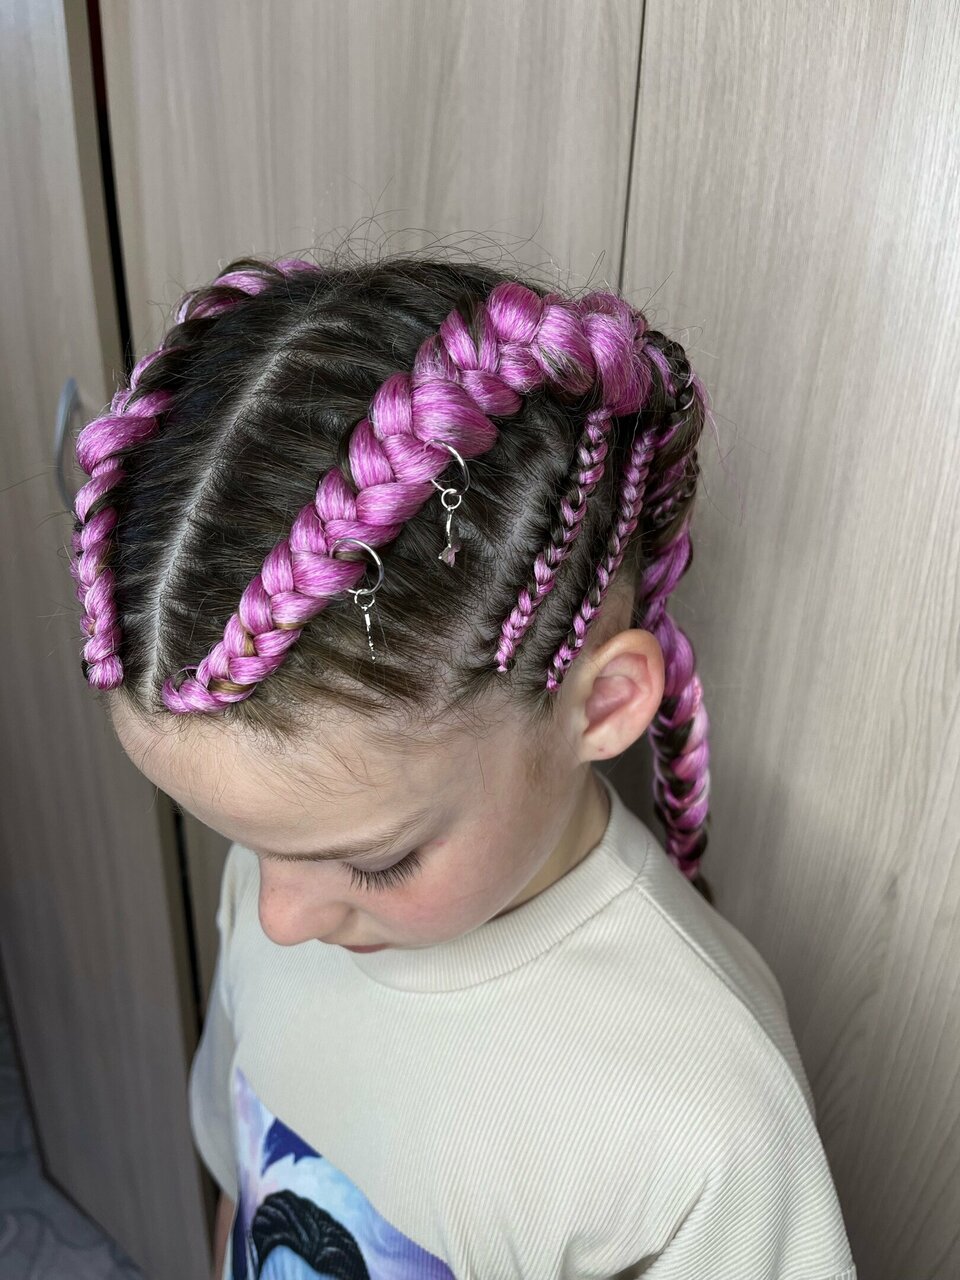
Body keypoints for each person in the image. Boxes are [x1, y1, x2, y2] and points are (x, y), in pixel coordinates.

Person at [67, 249, 857, 1279]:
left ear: (602, 706)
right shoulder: (291, 863)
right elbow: (246, 1178)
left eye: (378, 861)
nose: (277, 917)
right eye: (242, 840)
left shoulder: (706, 1114)